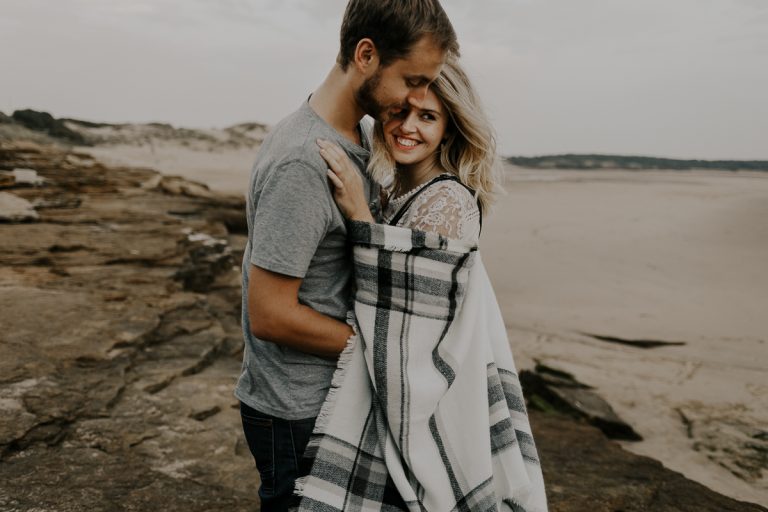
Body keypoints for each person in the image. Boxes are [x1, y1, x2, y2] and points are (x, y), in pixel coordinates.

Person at [295, 59, 549, 511]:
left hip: (430, 406)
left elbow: (412, 334)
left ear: (450, 128)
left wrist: (358, 215)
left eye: (427, 116)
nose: (407, 126)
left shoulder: (446, 202)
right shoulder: (398, 187)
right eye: (399, 111)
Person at [234, 1, 459, 510]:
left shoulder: (352, 136)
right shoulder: (303, 161)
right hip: (296, 409)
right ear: (365, 55)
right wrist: (385, 350)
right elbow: (270, 314)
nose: (418, 97)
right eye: (413, 80)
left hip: (321, 397)